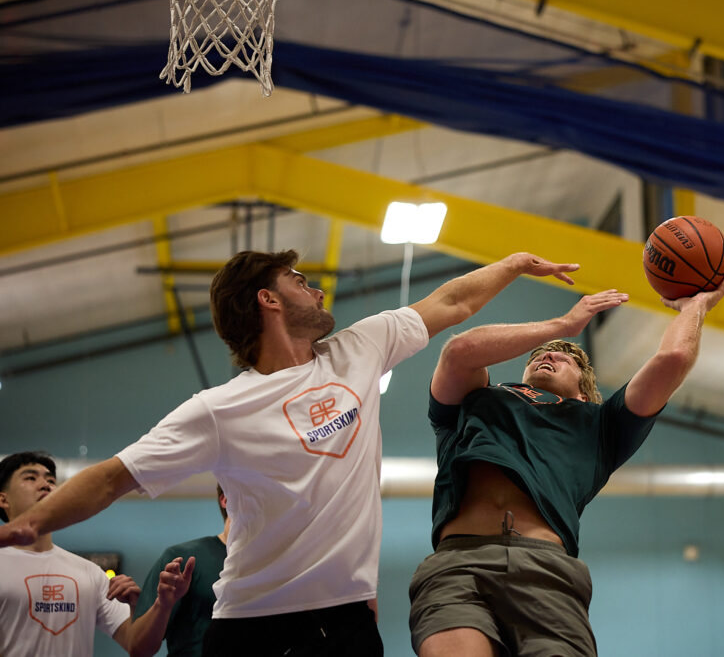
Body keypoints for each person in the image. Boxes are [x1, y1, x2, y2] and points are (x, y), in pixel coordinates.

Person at [0, 249, 579, 657]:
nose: (317, 288)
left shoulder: (359, 348)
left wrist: (513, 265)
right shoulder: (219, 409)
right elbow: (111, 477)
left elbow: (451, 302)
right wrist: (27, 526)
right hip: (251, 625)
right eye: (300, 280)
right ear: (268, 299)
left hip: (346, 621)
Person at [409, 273, 724, 657]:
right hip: (458, 564)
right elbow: (459, 351)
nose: (548, 355)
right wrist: (563, 325)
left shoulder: (601, 425)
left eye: (565, 358)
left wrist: (696, 305)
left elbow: (673, 359)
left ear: (584, 392)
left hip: (545, 571)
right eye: (539, 355)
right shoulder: (477, 399)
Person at [0, 451, 190, 657]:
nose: (46, 485)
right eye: (30, 478)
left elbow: (139, 647)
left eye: (51, 480)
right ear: (3, 499)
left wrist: (161, 605)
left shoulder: (89, 572)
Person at [129, 485, 231, 657]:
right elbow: (139, 649)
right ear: (226, 500)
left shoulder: (270, 565)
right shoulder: (182, 558)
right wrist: (163, 605)